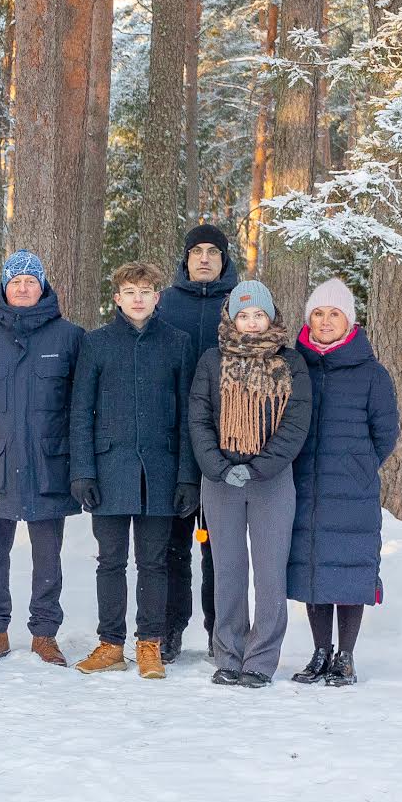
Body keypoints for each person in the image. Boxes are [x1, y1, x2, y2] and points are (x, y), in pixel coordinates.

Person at [0, 252, 83, 665]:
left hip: (49, 462)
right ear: (3, 287)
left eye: (31, 280)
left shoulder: (70, 338)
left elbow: (80, 402)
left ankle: (44, 633)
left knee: (48, 555)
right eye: (15, 281)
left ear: (43, 285)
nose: (23, 287)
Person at [67, 261, 198, 679]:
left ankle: (149, 643)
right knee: (110, 560)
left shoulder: (177, 344)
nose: (138, 298)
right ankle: (109, 643)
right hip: (110, 469)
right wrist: (83, 470)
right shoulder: (97, 343)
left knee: (154, 561)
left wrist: (186, 476)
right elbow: (80, 412)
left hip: (160, 471)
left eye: (146, 290)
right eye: (130, 290)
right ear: (117, 298)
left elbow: (189, 416)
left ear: (157, 297)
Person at [186, 280, 312, 687]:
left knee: (270, 571)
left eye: (259, 314)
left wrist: (259, 468)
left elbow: (296, 423)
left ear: (271, 316)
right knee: (228, 570)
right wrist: (220, 467)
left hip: (272, 481)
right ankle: (228, 654)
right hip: (220, 480)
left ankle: (260, 659)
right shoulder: (211, 361)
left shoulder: (291, 363)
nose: (253, 323)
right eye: (244, 315)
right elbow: (199, 418)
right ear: (232, 318)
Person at [286, 278, 400, 687]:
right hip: (304, 485)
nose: (326, 320)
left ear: (349, 320)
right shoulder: (294, 366)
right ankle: (320, 651)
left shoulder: (371, 373)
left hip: (352, 489)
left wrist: (359, 465)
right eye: (318, 313)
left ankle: (346, 656)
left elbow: (386, 431)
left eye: (335, 313)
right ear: (309, 319)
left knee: (351, 568)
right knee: (315, 567)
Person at [154, 223, 236, 659]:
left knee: (219, 548)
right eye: (196, 252)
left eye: (213, 252)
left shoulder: (239, 303)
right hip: (172, 445)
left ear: (225, 260)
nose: (204, 258)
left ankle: (217, 628)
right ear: (185, 260)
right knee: (174, 543)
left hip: (227, 445)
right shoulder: (165, 305)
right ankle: (170, 626)